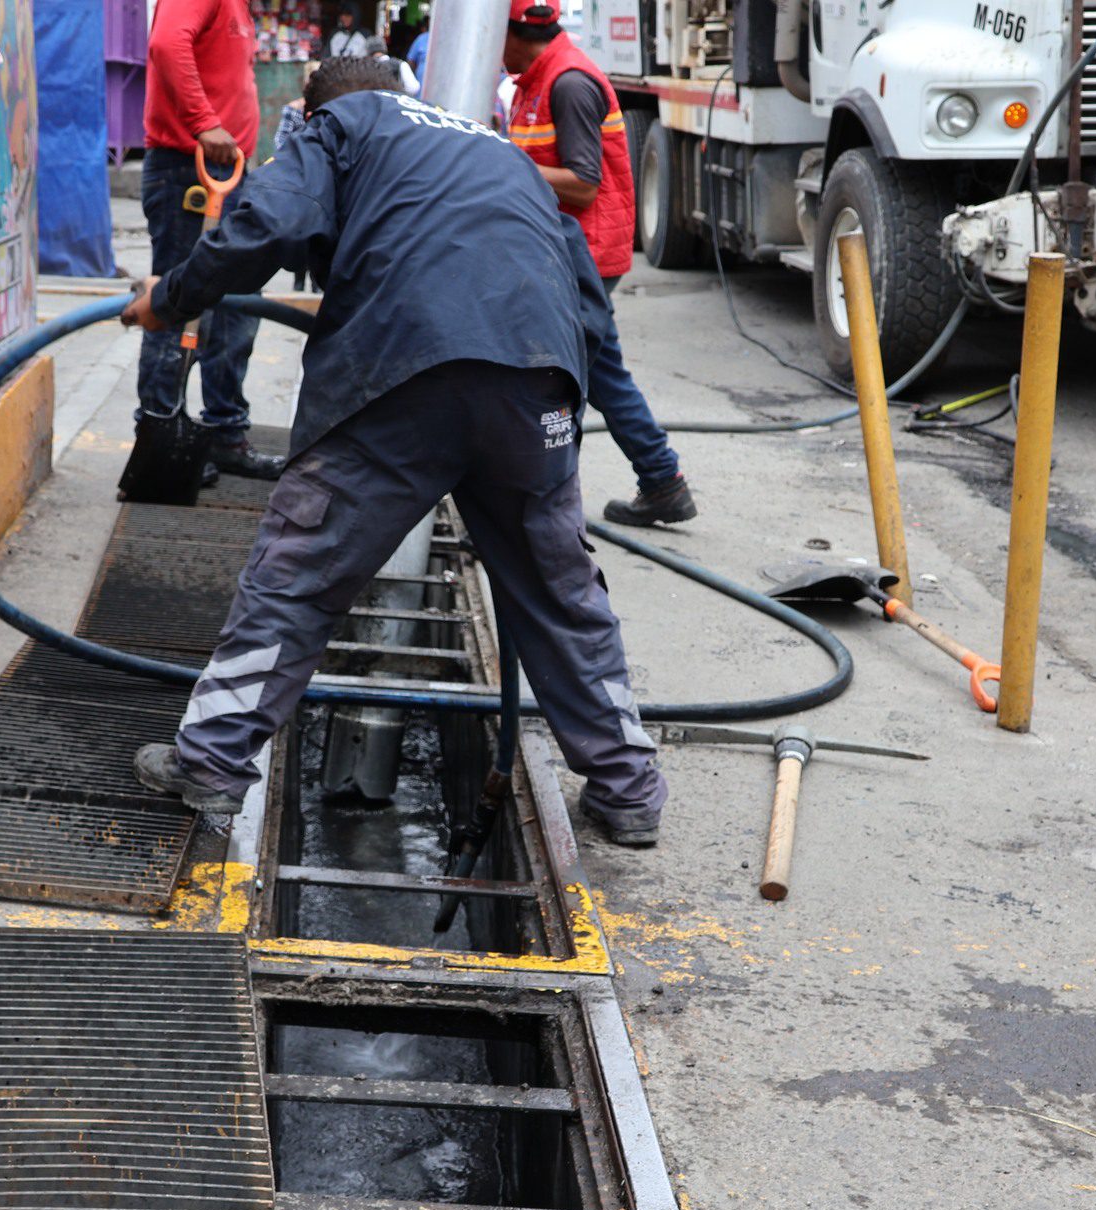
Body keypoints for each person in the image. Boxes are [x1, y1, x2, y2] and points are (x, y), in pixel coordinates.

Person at [122, 56, 668, 847]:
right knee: (563, 593)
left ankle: (209, 763)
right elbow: (587, 303)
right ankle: (628, 789)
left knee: (298, 574)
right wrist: (569, 415)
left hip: (400, 374)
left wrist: (169, 298)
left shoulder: (344, 125)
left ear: (312, 113)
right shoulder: (498, 152)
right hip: (537, 382)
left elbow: (267, 223)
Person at [503, 0, 696, 527]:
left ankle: (545, 507)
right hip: (565, 251)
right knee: (600, 370)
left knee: (560, 376)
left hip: (581, 255)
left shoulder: (568, 83)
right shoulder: (536, 81)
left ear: (516, 34)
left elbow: (584, 185)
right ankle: (661, 480)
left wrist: (501, 166)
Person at [140, 0, 280, 477]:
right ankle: (159, 438)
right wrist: (204, 122)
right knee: (178, 303)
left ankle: (224, 433)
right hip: (189, 172)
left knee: (237, 305)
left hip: (228, 173)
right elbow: (165, 43)